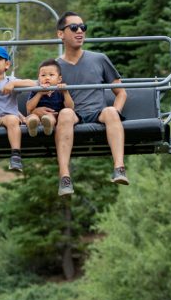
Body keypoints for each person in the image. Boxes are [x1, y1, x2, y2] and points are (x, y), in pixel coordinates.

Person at [53, 12, 129, 196]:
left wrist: (116, 112)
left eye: (83, 27)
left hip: (98, 112)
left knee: (111, 112)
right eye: (73, 28)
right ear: (61, 34)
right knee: (64, 114)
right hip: (73, 114)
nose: (80, 31)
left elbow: (121, 93)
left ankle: (119, 167)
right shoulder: (54, 67)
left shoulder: (99, 59)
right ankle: (64, 175)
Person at [25, 58, 74, 137]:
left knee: (50, 117)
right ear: (39, 78)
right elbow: (29, 108)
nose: (47, 78)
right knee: (32, 117)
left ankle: (48, 126)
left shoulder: (60, 91)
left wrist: (66, 92)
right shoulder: (36, 90)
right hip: (36, 114)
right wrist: (39, 94)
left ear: (59, 79)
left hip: (53, 115)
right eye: (43, 75)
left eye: (51, 75)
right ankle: (32, 127)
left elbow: (70, 107)